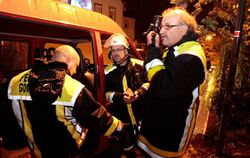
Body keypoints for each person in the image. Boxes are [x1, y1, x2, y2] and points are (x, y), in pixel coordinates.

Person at [7, 45, 128, 158]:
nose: (74, 73)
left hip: (37, 151)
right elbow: (98, 118)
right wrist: (121, 128)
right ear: (69, 60)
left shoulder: (16, 81)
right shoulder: (73, 87)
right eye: (75, 67)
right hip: (68, 153)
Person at [137, 7, 207, 157]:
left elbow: (163, 87)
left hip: (169, 135)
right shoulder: (173, 50)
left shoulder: (191, 56)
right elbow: (153, 77)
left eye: (168, 26)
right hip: (155, 127)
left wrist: (153, 50)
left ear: (186, 29)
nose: (161, 32)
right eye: (161, 26)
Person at [103, 33, 149, 157]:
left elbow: (149, 83)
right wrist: (119, 97)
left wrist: (138, 93)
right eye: (113, 50)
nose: (116, 53)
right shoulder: (107, 72)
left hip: (141, 117)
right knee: (127, 149)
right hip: (121, 119)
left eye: (119, 49)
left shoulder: (140, 65)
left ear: (126, 50)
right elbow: (105, 94)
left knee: (144, 148)